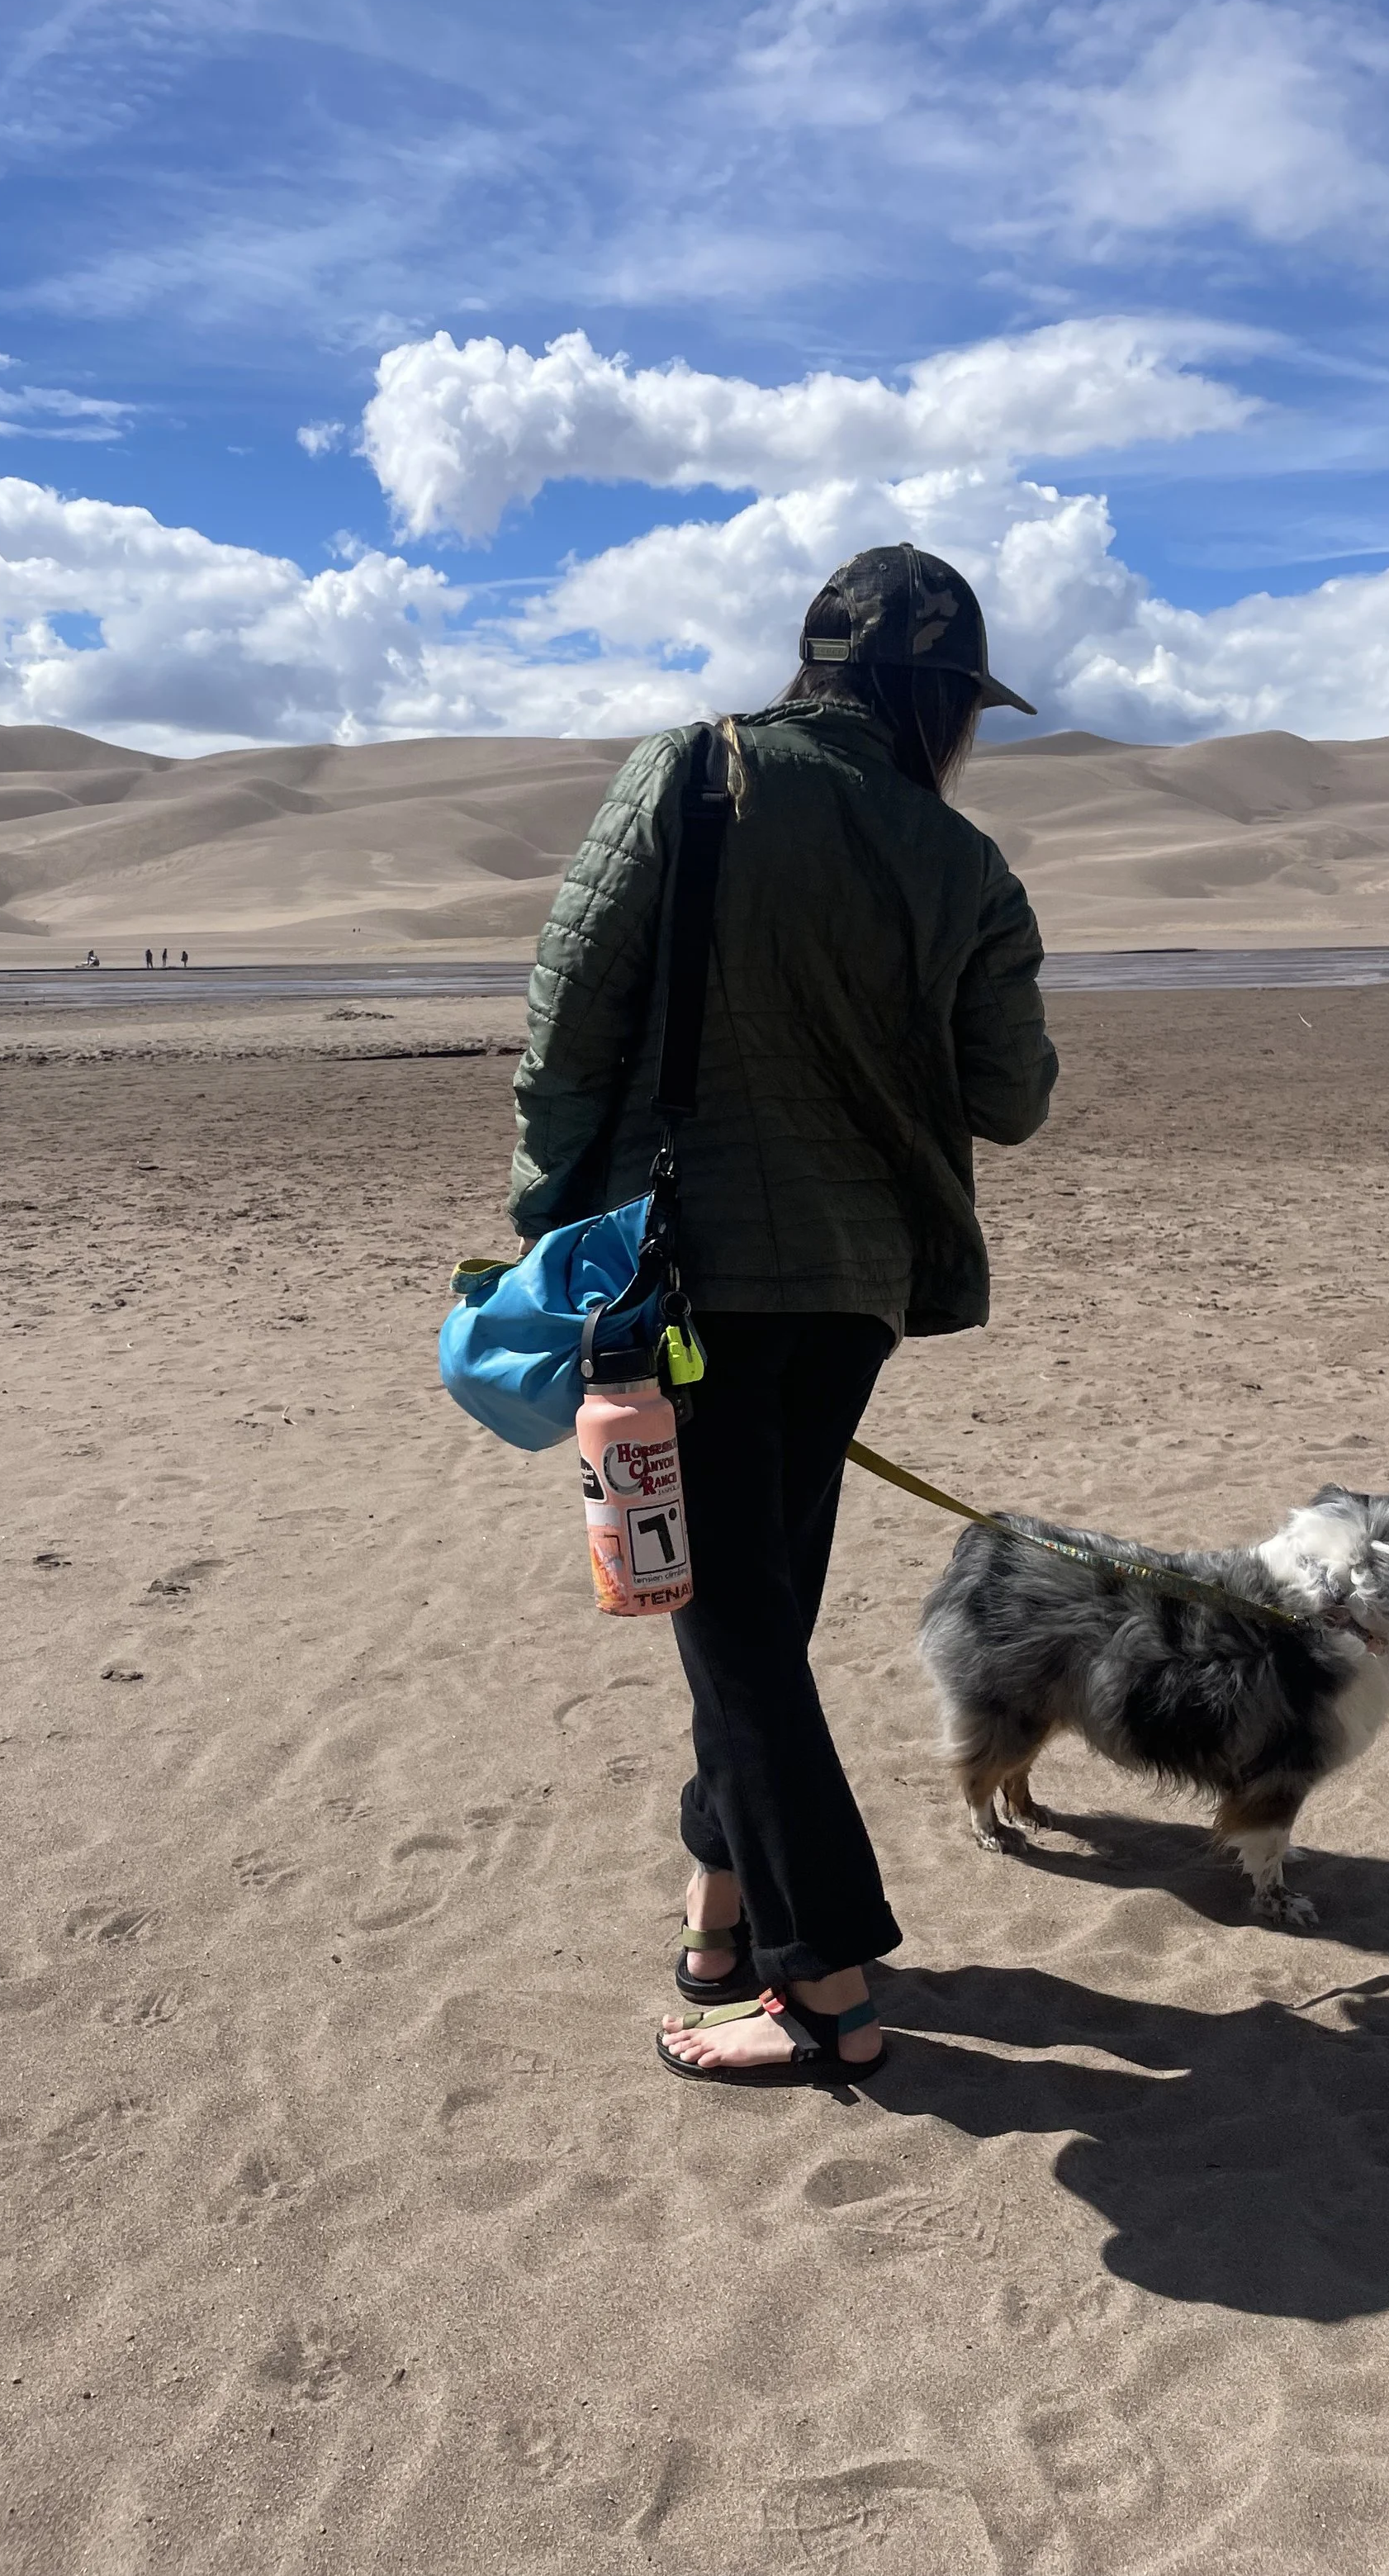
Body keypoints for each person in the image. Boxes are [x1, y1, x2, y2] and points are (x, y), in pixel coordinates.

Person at [507, 543, 1057, 2085]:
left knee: (734, 1628)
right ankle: (720, 1915)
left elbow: (569, 1017)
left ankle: (825, 1985)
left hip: (688, 1282)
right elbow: (1013, 1099)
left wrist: (553, 1226)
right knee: (754, 1611)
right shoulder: (964, 863)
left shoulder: (693, 772)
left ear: (815, 660)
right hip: (859, 1292)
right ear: (942, 699)